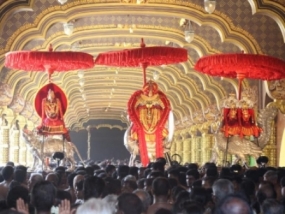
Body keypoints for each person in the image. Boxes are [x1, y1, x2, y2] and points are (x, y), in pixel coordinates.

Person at [128, 80, 171, 166]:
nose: (149, 102)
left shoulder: (157, 109)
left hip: (155, 133)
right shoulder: (141, 109)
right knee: (132, 137)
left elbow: (167, 109)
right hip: (143, 133)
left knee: (166, 138)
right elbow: (131, 110)